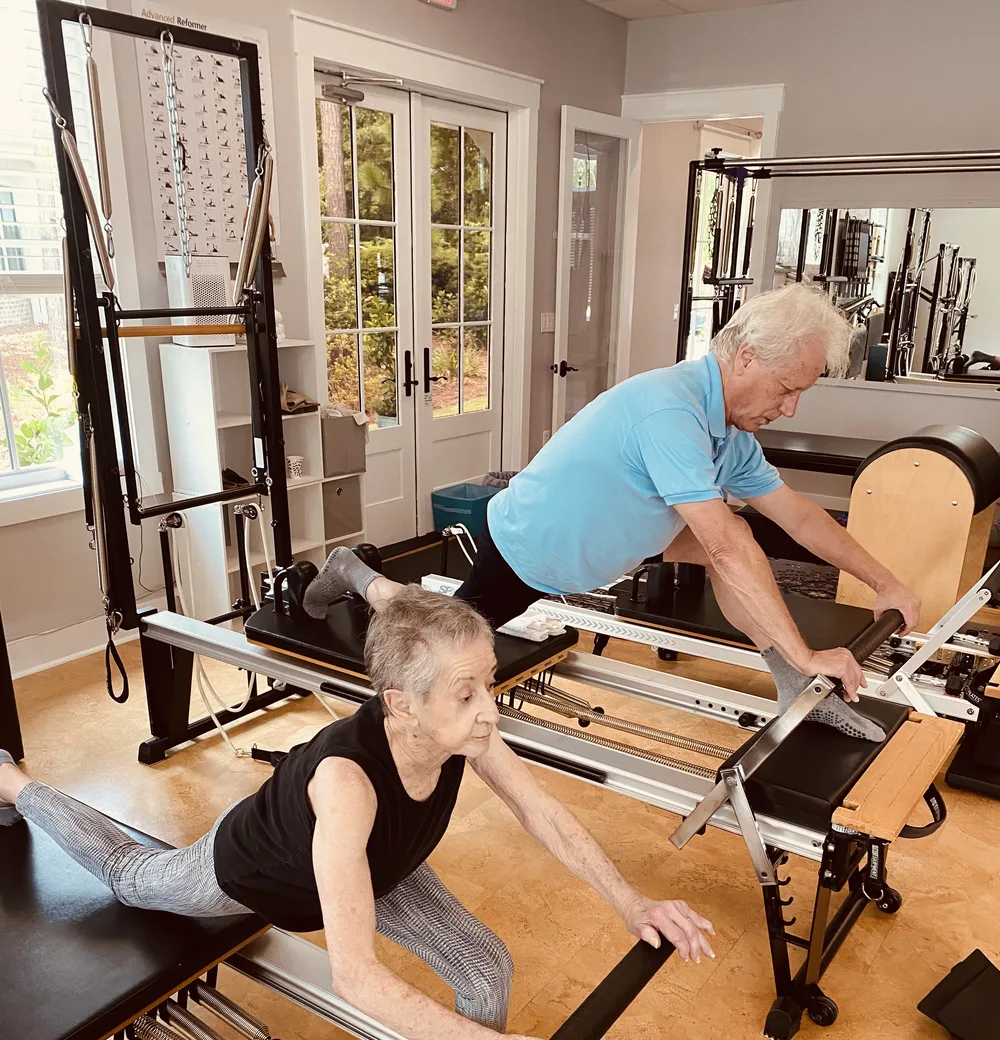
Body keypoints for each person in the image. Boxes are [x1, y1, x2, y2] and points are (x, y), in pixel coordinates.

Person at [0, 588, 714, 1040]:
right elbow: (356, 976)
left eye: (487, 683)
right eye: (467, 693)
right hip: (254, 867)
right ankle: (13, 782)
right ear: (401, 705)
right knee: (131, 879)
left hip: (375, 864)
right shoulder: (347, 784)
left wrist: (634, 902)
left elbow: (544, 814)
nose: (489, 709)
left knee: (485, 966)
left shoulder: (468, 727)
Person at [307, 285, 921, 744]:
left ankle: (790, 681)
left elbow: (801, 518)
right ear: (745, 358)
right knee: (426, 633)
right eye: (787, 387)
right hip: (527, 553)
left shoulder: (726, 434)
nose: (789, 408)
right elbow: (731, 545)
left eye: (800, 394)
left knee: (724, 543)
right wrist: (812, 652)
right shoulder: (670, 412)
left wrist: (885, 581)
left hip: (606, 544)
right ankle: (358, 575)